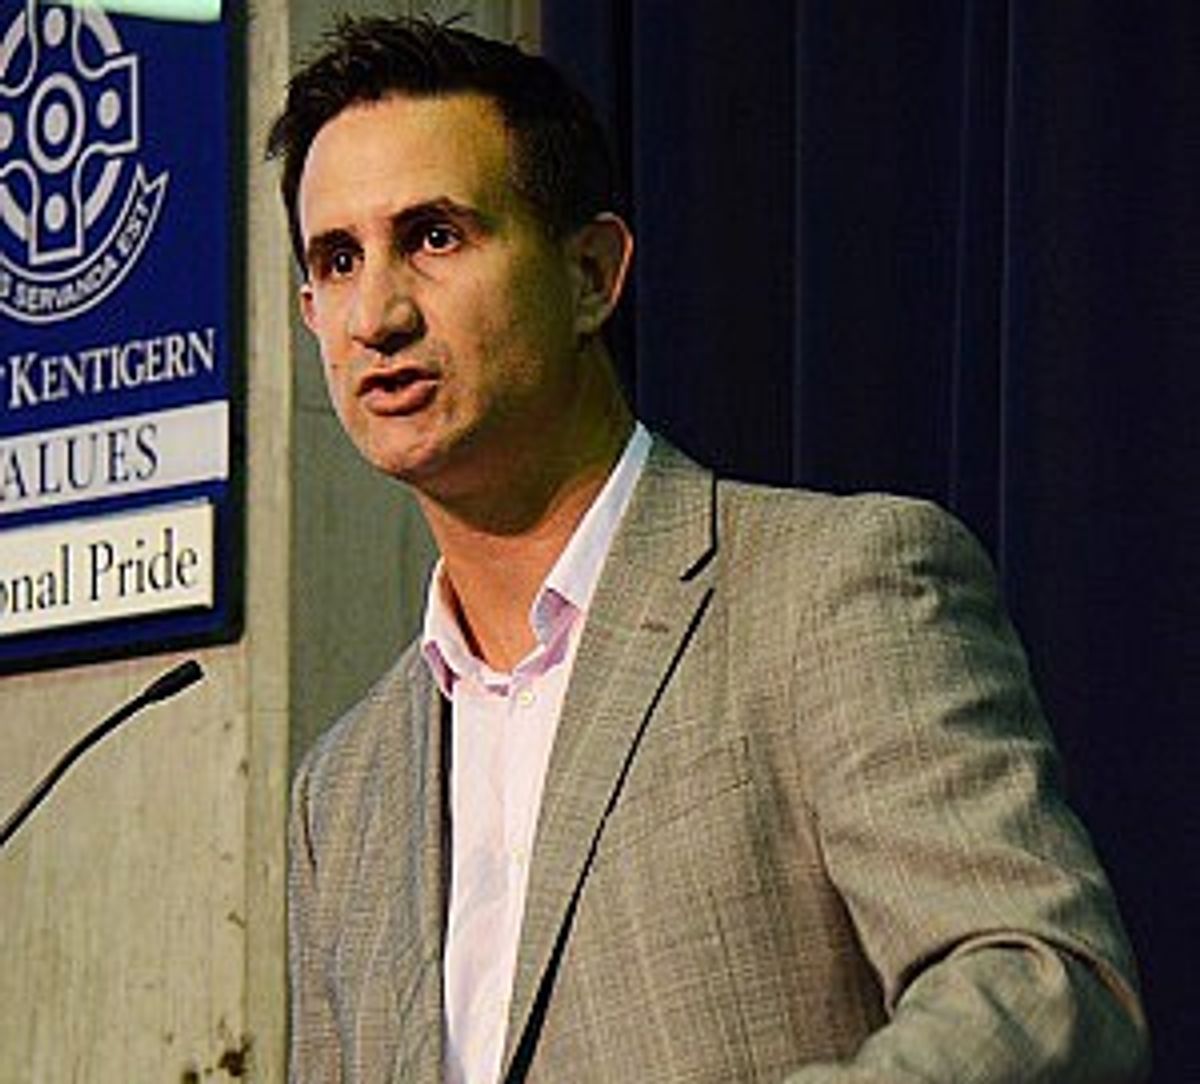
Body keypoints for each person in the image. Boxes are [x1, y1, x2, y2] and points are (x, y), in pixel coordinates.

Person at [268, 16, 1149, 1084]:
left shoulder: (828, 591)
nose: (378, 314)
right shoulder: (341, 792)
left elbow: (1043, 990)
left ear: (591, 273)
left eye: (436, 238)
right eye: (338, 260)